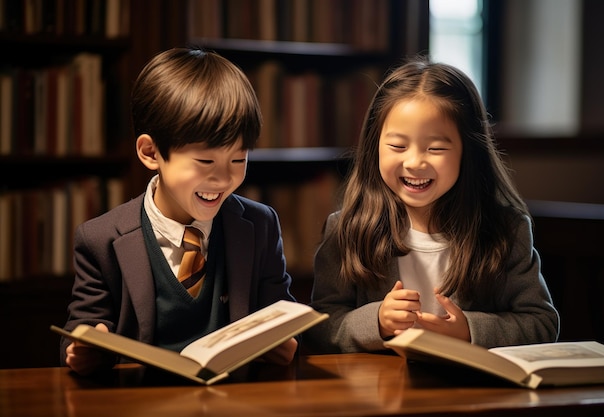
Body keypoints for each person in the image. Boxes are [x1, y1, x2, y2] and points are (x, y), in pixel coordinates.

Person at [60, 47, 298, 375]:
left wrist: (286, 341)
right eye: (205, 161)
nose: (224, 178)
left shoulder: (260, 224)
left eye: (239, 160)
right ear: (151, 152)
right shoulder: (100, 238)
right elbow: (81, 327)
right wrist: (85, 348)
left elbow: (282, 313)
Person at [303, 56, 560, 354]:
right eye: (398, 146)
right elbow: (319, 326)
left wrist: (468, 330)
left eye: (435, 148)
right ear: (375, 146)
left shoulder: (505, 230)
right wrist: (377, 322)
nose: (414, 163)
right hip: (380, 392)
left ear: (469, 152)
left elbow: (541, 323)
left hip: (473, 394)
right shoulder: (347, 229)